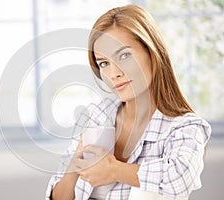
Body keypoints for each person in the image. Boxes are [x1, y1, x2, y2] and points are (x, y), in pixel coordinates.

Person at [46, 4, 211, 200]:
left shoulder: (185, 127)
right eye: (104, 63)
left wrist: (115, 170)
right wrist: (75, 165)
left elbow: (179, 180)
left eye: (124, 55)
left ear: (152, 52)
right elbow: (57, 196)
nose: (114, 73)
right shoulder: (96, 115)